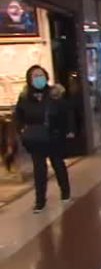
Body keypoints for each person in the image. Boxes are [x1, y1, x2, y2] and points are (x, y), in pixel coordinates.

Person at [13, 65, 73, 213]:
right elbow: (18, 115)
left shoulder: (54, 94)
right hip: (35, 138)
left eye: (41, 75)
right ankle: (40, 201)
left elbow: (65, 113)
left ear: (46, 77)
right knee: (39, 169)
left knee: (58, 164)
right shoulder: (25, 97)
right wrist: (21, 130)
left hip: (53, 136)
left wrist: (67, 131)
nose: (38, 78)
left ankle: (65, 192)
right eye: (35, 76)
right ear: (29, 79)